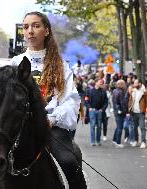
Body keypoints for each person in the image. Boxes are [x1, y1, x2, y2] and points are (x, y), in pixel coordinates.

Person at [12, 11, 87, 188]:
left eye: (36, 26)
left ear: (46, 31)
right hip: (20, 132)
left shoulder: (60, 65)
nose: (30, 30)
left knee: (69, 161)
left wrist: (52, 119)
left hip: (51, 130)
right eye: (26, 27)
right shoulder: (14, 63)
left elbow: (71, 102)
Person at [128, 79, 147, 149]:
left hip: (141, 112)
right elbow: (130, 100)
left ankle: (143, 142)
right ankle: (136, 140)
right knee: (134, 127)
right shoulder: (133, 91)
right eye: (134, 83)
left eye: (136, 83)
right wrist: (129, 109)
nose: (134, 85)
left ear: (140, 84)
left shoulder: (145, 92)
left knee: (142, 127)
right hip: (133, 112)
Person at [87, 79, 108, 146]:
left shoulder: (103, 92)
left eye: (102, 83)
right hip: (92, 111)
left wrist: (103, 109)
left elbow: (106, 102)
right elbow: (86, 100)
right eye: (100, 82)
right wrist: (89, 107)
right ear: (96, 83)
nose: (101, 83)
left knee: (99, 126)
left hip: (99, 111)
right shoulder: (89, 91)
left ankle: (98, 141)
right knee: (92, 126)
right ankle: (93, 141)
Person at [112, 80, 127, 148]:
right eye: (124, 84)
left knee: (118, 126)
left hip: (116, 111)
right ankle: (118, 142)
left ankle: (114, 140)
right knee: (120, 127)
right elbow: (122, 103)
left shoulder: (115, 91)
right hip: (120, 112)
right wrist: (125, 111)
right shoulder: (121, 92)